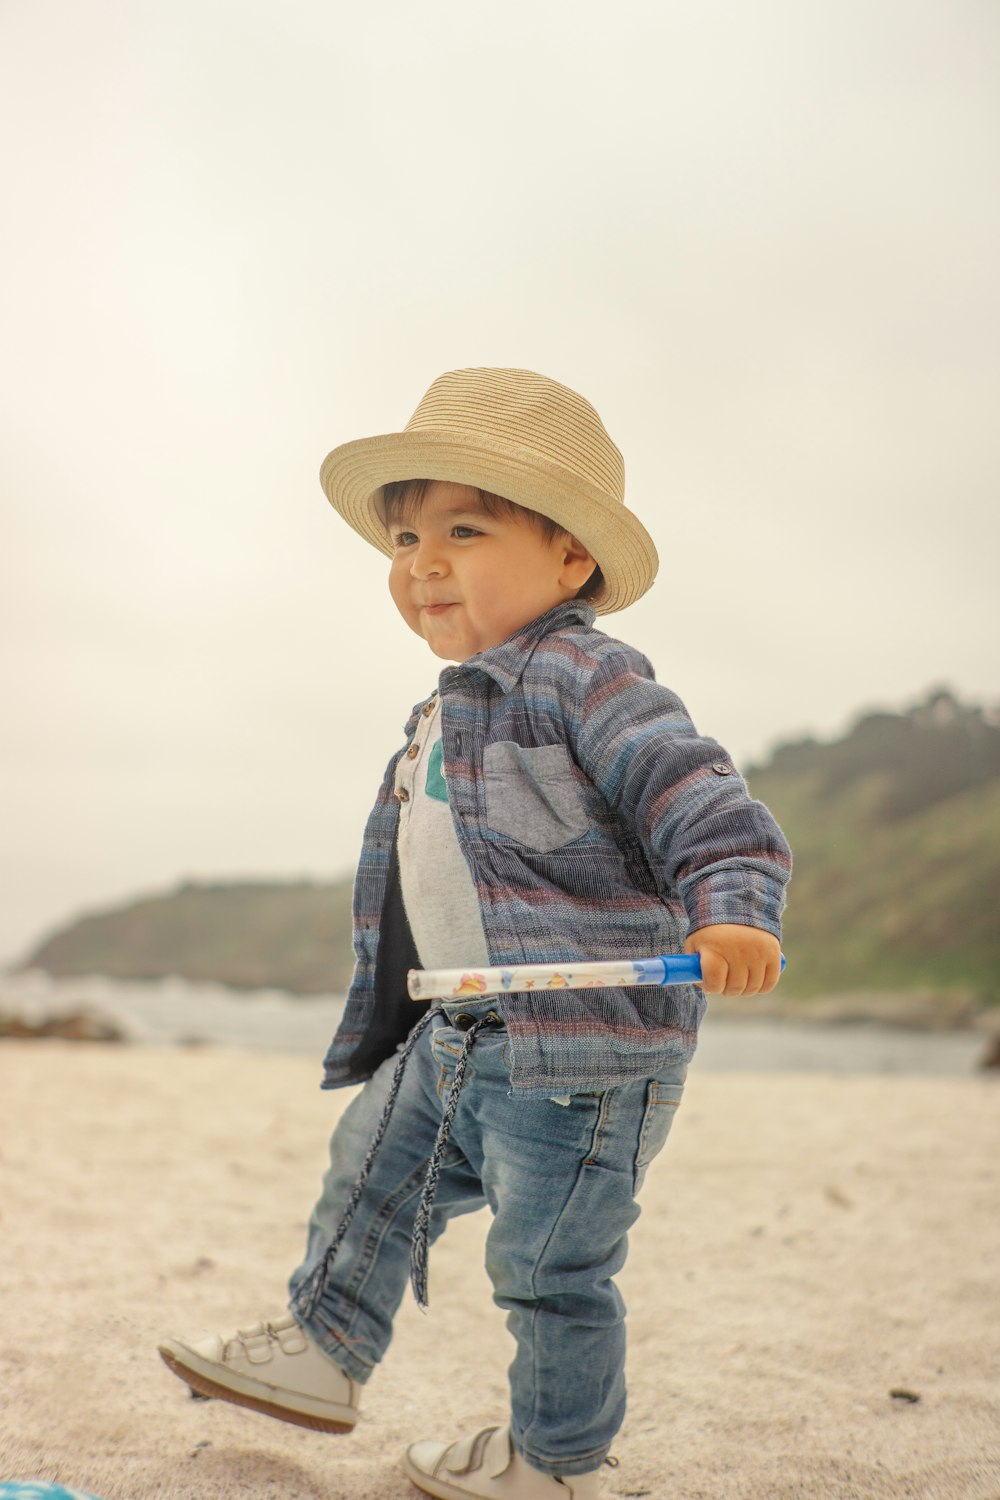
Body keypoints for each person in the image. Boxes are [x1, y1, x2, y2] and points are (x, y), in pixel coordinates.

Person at [158, 367, 791, 1499]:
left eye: (463, 528)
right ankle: (322, 1350)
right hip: (460, 1026)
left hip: (585, 1049)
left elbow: (703, 805)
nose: (421, 563)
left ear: (569, 560)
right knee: (369, 1171)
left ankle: (555, 1464)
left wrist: (730, 911)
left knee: (546, 1266)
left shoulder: (590, 680)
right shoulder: (448, 708)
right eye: (405, 538)